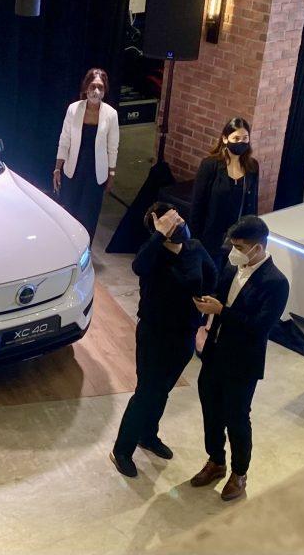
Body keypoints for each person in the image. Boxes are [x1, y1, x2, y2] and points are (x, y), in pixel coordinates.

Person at [110, 202, 217, 477]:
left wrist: (205, 302)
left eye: (179, 218)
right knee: (147, 391)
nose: (179, 223)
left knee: (163, 389)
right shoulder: (153, 255)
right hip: (155, 333)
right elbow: (138, 266)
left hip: (185, 332)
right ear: (158, 227)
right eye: (171, 221)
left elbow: (212, 275)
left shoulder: (194, 248)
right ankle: (122, 449)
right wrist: (159, 234)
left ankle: (148, 435)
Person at [190, 216, 289, 501]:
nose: (234, 251)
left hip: (243, 362)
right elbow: (220, 296)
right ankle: (215, 461)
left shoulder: (276, 282)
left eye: (240, 247)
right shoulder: (232, 266)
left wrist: (222, 311)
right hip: (214, 352)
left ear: (258, 248)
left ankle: (239, 473)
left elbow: (259, 327)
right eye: (233, 245)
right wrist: (207, 304)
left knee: (237, 418)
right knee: (211, 411)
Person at [54, 68, 121, 241]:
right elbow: (65, 139)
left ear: (105, 90)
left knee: (88, 216)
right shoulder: (74, 109)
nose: (96, 91)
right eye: (93, 86)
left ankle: (85, 251)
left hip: (96, 173)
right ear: (86, 88)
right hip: (73, 170)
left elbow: (113, 146)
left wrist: (111, 174)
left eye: (100, 87)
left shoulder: (111, 114)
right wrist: (57, 168)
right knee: (69, 213)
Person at [189, 117, 260, 270]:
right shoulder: (210, 165)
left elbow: (252, 203)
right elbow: (198, 204)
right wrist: (194, 239)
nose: (241, 142)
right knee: (210, 276)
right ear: (225, 139)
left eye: (245, 138)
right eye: (236, 138)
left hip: (239, 238)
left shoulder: (252, 166)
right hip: (212, 237)